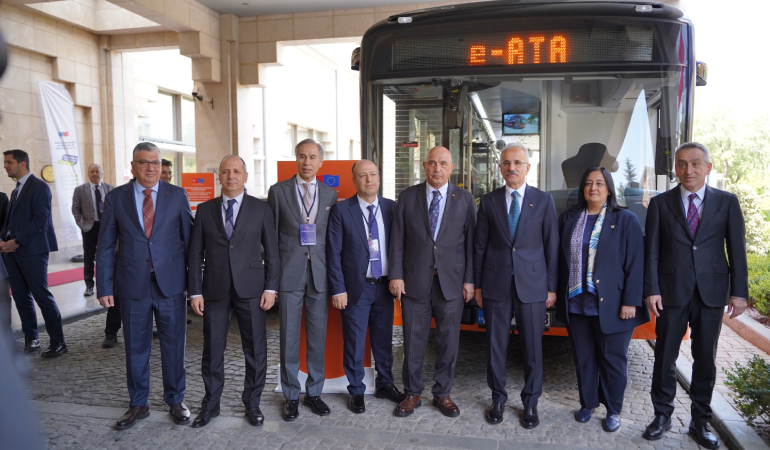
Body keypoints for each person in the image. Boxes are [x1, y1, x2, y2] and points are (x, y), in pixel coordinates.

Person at [643, 142, 748, 449]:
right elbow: (652, 251)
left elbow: (737, 250)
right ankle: (661, 416)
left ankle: (699, 422)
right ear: (675, 168)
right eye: (682, 164)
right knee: (664, 358)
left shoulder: (727, 202)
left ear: (708, 168)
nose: (688, 170)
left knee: (705, 360)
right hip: (671, 292)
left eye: (695, 164)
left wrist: (739, 293)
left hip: (711, 293)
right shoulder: (661, 204)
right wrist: (651, 289)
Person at [96, 142, 194, 430]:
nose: (150, 167)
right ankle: (138, 403)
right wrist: (104, 286)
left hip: (171, 285)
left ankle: (175, 399)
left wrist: (196, 287)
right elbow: (105, 246)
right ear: (133, 166)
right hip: (131, 285)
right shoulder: (116, 198)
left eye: (155, 162)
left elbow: (190, 242)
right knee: (135, 348)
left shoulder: (177, 195)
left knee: (174, 345)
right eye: (144, 162)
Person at [187, 155, 279, 428]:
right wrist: (195, 291)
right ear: (219, 176)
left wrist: (271, 288)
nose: (231, 176)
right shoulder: (204, 210)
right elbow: (194, 255)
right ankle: (211, 405)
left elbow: (272, 252)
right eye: (226, 171)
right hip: (214, 290)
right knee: (212, 350)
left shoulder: (260, 209)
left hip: (252, 289)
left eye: (236, 171)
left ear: (245, 176)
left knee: (255, 349)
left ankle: (252, 404)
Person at [556, 166, 649, 432]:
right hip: (576, 301)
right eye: (588, 183)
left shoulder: (625, 219)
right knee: (584, 358)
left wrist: (631, 301)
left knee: (613, 360)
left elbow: (635, 263)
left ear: (608, 188)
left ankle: (613, 410)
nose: (593, 188)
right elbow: (558, 258)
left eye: (599, 183)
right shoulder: (570, 218)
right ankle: (587, 404)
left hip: (614, 304)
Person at [473, 142, 558, 427]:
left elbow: (551, 246)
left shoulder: (543, 200)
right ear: (500, 168)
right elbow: (480, 247)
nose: (512, 168)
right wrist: (478, 286)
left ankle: (530, 402)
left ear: (527, 167)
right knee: (496, 346)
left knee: (532, 347)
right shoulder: (488, 201)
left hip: (533, 285)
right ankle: (498, 397)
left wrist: (551, 287)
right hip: (495, 284)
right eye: (507, 163)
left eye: (517, 163)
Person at [389, 146, 476, 418]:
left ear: (452, 168)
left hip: (452, 282)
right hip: (415, 281)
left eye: (443, 164)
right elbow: (398, 240)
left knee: (448, 341)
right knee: (413, 339)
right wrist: (396, 275)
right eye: (432, 163)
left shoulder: (464, 199)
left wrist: (470, 281)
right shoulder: (407, 197)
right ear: (424, 166)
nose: (437, 169)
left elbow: (472, 244)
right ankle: (412, 392)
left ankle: (443, 393)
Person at [327, 159, 405, 414]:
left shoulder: (392, 209)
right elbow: (333, 253)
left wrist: (398, 276)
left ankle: (384, 383)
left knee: (383, 341)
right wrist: (338, 289)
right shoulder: (341, 210)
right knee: (355, 343)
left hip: (384, 287)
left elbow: (400, 248)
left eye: (373, 174)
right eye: (363, 175)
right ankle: (356, 390)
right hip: (355, 290)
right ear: (354, 180)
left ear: (379, 178)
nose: (369, 179)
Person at [268, 138, 337, 421]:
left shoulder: (330, 194)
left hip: (319, 276)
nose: (306, 162)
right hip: (289, 275)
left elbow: (332, 240)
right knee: (289, 338)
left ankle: (315, 392)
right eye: (302, 156)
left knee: (318, 338)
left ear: (320, 162)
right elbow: (270, 239)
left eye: (312, 157)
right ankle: (291, 395)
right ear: (296, 159)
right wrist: (271, 281)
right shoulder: (278, 191)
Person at [0, 149, 66, 357]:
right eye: (5, 163)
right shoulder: (15, 190)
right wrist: (3, 240)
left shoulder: (39, 187)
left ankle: (58, 342)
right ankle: (32, 338)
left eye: (8, 162)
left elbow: (40, 220)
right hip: (12, 252)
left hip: (33, 251)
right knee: (21, 297)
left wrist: (17, 241)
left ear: (22, 163)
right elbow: (10, 221)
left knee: (42, 296)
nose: (5, 166)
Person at [72, 164, 118, 347]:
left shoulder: (110, 189)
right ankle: (89, 285)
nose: (95, 174)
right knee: (90, 258)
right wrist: (83, 225)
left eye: (98, 171)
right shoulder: (80, 190)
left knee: (106, 259)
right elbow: (75, 209)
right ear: (88, 173)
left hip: (108, 229)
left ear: (102, 173)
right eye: (92, 171)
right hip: (90, 228)